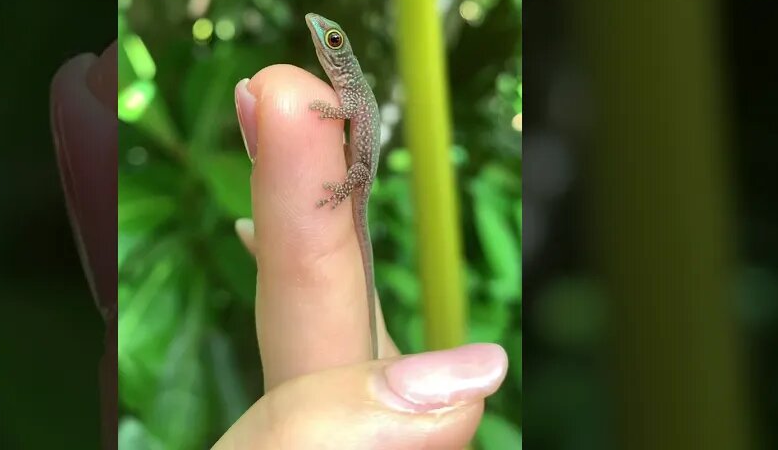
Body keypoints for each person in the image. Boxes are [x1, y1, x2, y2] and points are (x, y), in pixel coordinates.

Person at [51, 44, 510, 448]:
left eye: (332, 41)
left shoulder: (350, 90)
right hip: (347, 167)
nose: (323, 42)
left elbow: (347, 121)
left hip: (358, 171)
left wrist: (336, 173)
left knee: (348, 226)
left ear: (342, 60)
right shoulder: (347, 88)